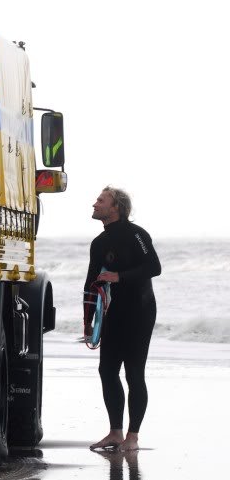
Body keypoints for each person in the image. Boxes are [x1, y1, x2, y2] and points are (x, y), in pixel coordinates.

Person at [84, 187, 161, 452]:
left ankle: (133, 437)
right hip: (113, 314)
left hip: (140, 311)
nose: (95, 204)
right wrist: (88, 322)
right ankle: (115, 432)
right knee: (107, 371)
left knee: (134, 374)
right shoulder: (99, 243)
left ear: (116, 207)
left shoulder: (136, 234)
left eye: (101, 200)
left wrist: (119, 277)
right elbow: (91, 283)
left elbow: (154, 267)